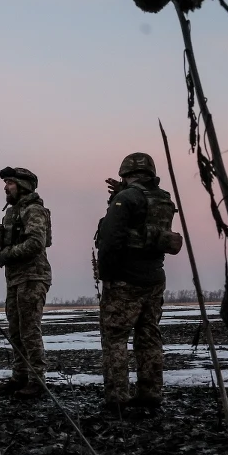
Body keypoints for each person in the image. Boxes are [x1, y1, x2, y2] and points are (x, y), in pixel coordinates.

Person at [94, 153, 183, 411]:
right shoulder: (163, 200)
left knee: (115, 338)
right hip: (154, 277)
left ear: (125, 172)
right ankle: (151, 393)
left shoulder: (126, 199)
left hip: (125, 280)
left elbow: (111, 240)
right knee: (149, 337)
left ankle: (117, 398)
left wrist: (106, 275)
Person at [0, 167, 52, 399]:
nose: (6, 187)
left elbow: (36, 243)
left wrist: (6, 254)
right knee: (16, 330)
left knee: (29, 331)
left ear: (23, 185)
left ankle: (37, 380)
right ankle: (19, 377)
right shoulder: (12, 213)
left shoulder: (34, 210)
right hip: (15, 278)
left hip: (32, 277)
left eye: (10, 183)